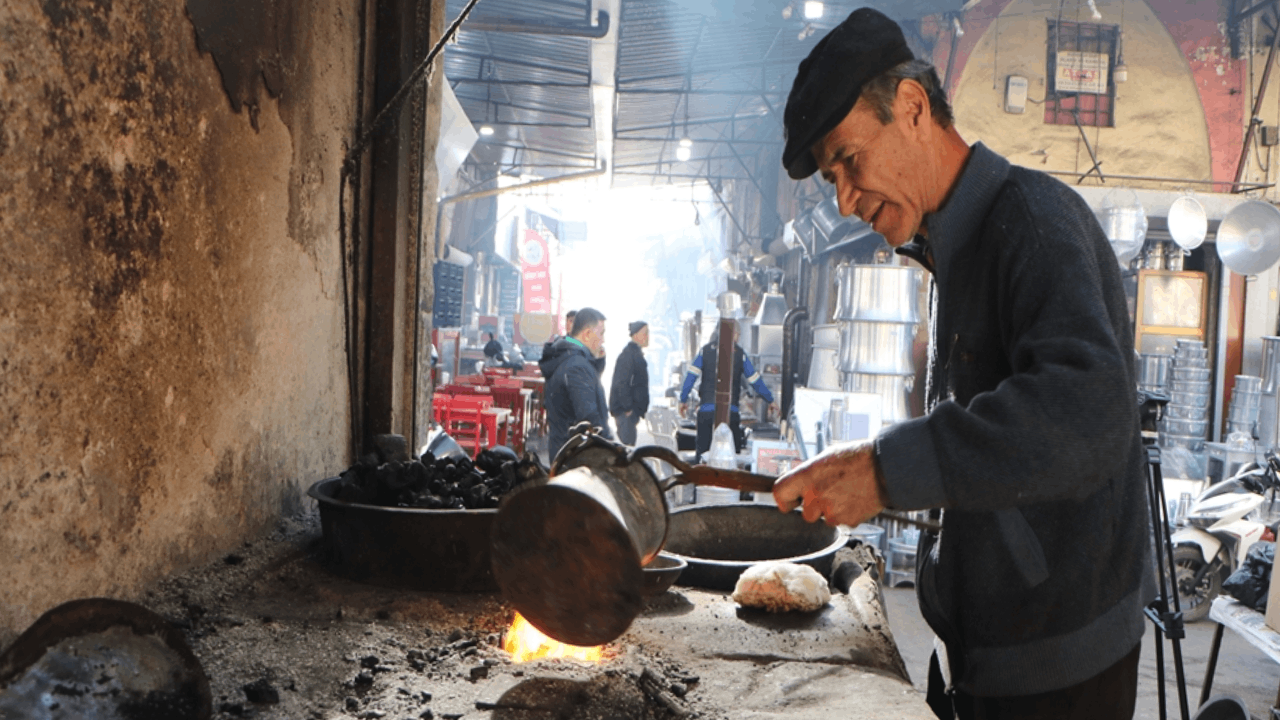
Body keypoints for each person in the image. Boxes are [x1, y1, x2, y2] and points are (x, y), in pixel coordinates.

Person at [772, 9, 1151, 720]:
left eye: (850, 160)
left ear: (912, 107)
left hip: (1061, 669)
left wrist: (888, 471)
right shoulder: (957, 249)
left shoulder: (1033, 224)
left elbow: (1088, 413)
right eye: (832, 179)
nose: (848, 200)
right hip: (992, 653)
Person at [678, 323, 774, 459]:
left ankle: (702, 478)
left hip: (706, 413)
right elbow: (755, 381)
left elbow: (690, 377)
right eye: (738, 334)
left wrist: (682, 400)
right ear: (731, 333)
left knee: (703, 456)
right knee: (731, 457)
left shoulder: (705, 351)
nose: (738, 338)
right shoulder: (740, 354)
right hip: (730, 413)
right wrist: (770, 399)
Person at [539, 307, 613, 459]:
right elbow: (589, 418)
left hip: (564, 452)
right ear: (586, 334)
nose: (603, 340)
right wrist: (611, 447)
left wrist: (597, 363)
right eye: (601, 333)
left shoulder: (569, 357)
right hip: (575, 461)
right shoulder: (577, 367)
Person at [609, 321, 651, 445]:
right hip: (625, 413)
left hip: (629, 413)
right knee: (626, 451)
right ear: (635, 335)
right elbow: (621, 383)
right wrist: (627, 408)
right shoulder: (628, 355)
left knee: (628, 449)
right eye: (645, 333)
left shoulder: (635, 354)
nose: (648, 337)